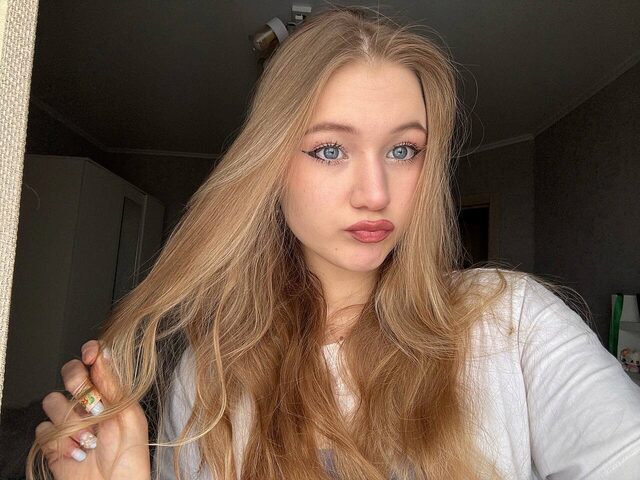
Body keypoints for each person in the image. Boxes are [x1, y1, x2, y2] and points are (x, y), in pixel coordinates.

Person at [28, 6, 640, 480]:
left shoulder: (512, 324)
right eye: (329, 150)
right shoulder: (208, 377)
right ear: (271, 166)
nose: (376, 193)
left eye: (404, 150)